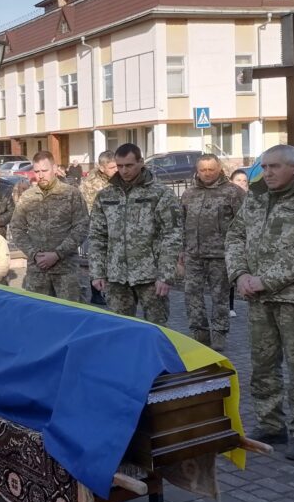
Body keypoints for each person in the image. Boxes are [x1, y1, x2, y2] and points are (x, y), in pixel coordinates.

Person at [225, 144, 294, 462]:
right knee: (262, 366)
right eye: (264, 166)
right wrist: (242, 274)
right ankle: (271, 424)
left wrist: (265, 280)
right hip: (258, 299)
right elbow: (234, 236)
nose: (267, 172)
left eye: (274, 166)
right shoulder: (257, 198)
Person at [89, 143, 182, 325]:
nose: (124, 171)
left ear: (140, 162)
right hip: (117, 277)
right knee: (120, 330)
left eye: (129, 165)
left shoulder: (160, 194)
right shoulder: (105, 196)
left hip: (150, 277)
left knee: (157, 329)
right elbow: (97, 236)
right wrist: (97, 272)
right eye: (120, 166)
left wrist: (165, 275)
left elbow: (172, 235)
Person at [180, 154, 245, 352]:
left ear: (219, 169)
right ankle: (199, 334)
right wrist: (181, 250)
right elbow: (181, 223)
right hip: (194, 255)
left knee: (220, 298)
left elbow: (244, 223)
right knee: (192, 295)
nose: (207, 174)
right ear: (197, 171)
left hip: (220, 255)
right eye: (203, 170)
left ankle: (219, 334)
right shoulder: (189, 194)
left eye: (211, 169)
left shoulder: (233, 193)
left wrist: (239, 254)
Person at [9, 151, 89, 302]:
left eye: (44, 171)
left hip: (65, 270)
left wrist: (57, 254)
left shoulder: (71, 194)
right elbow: (16, 228)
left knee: (69, 316)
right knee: (38, 318)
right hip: (37, 270)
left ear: (54, 168)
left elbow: (82, 226)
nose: (40, 175)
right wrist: (33, 253)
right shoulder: (28, 196)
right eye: (37, 171)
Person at [80, 151, 118, 306]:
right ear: (102, 168)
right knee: (97, 260)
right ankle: (96, 293)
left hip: (115, 229)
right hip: (96, 229)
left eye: (117, 166)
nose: (116, 169)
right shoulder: (91, 185)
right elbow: (90, 210)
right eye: (112, 167)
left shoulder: (116, 179)